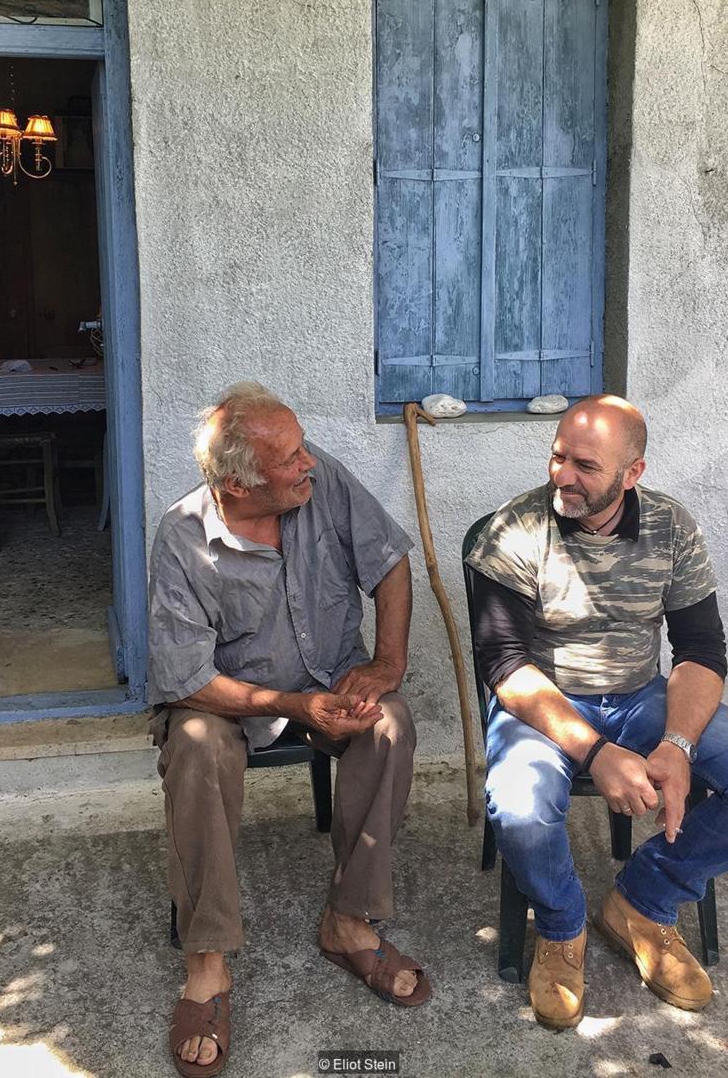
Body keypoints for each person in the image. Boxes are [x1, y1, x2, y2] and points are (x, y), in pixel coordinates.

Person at [148, 382, 430, 1076]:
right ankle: (207, 963)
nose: (308, 463)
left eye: (303, 448)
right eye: (290, 458)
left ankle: (348, 921)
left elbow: (390, 562)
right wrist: (292, 705)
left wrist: (385, 664)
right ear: (240, 482)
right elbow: (187, 679)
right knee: (193, 747)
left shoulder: (320, 480)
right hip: (225, 700)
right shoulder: (182, 538)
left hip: (330, 675)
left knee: (389, 723)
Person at [465, 394, 727, 1030]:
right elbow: (505, 666)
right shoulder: (516, 529)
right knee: (521, 806)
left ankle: (646, 901)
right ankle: (560, 927)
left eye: (584, 465)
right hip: (544, 702)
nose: (562, 476)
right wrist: (597, 752)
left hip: (642, 695)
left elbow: (700, 651)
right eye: (557, 457)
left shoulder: (671, 527)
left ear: (631, 473)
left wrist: (678, 746)